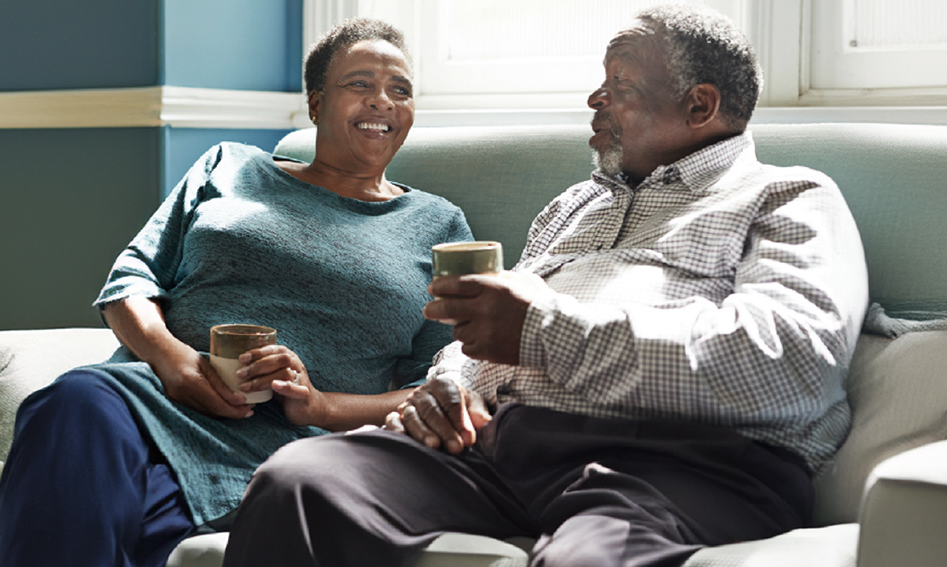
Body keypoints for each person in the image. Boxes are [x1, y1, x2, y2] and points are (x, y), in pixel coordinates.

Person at [223, 5, 869, 567]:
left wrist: (543, 329)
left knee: (588, 558)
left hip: (688, 463)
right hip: (502, 445)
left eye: (618, 85)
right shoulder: (574, 206)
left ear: (698, 105)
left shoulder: (786, 197)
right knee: (300, 478)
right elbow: (485, 339)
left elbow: (792, 360)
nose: (595, 100)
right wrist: (446, 387)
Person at [0, 18, 473, 567]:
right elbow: (129, 281)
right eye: (360, 84)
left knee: (139, 521)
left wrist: (320, 405)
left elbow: (435, 385)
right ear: (316, 104)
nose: (383, 101)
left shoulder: (438, 225)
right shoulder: (229, 166)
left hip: (280, 442)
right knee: (70, 402)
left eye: (400, 90)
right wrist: (174, 362)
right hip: (148, 392)